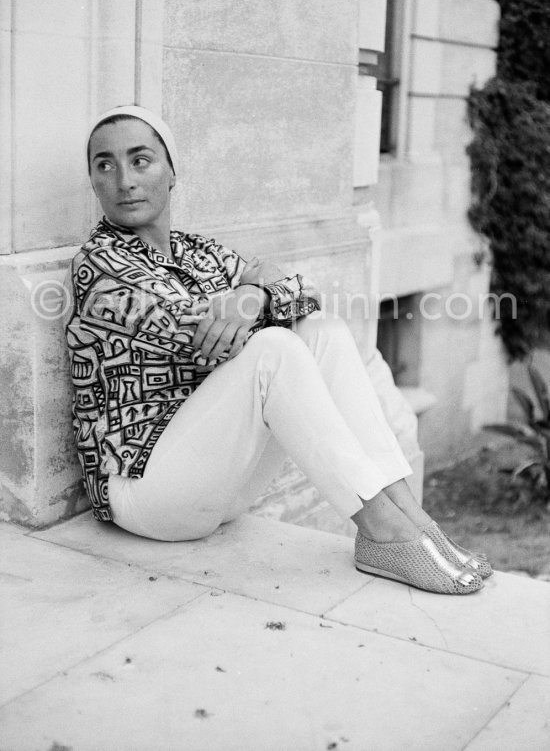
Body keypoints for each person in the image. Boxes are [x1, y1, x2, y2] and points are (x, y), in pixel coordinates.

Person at [64, 104, 492, 595]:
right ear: (94, 181)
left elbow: (301, 292)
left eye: (140, 160)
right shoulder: (98, 267)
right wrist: (258, 296)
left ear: (172, 171)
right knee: (274, 347)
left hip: (215, 484)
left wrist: (254, 294)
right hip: (145, 493)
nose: (124, 180)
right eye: (105, 165)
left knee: (323, 331)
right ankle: (383, 532)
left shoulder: (196, 250)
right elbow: (204, 336)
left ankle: (413, 521)